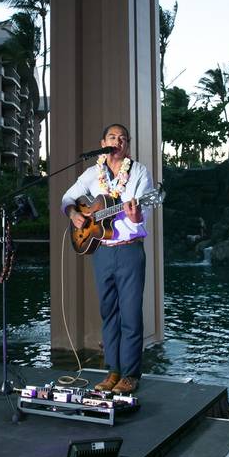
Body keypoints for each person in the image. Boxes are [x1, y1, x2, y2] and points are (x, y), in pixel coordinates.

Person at [61, 123, 152, 395]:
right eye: (113, 137)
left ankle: (131, 375)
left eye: (123, 138)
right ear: (103, 143)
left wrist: (136, 215)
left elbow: (143, 207)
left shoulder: (138, 172)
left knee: (131, 314)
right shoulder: (92, 173)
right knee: (108, 313)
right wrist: (74, 214)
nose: (118, 141)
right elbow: (68, 197)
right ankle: (112, 371)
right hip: (101, 250)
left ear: (128, 145)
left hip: (128, 250)